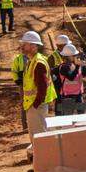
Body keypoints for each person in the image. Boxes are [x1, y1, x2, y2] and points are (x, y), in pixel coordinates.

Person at [19, 30, 57, 163]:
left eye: (25, 44)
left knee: (39, 138)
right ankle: (40, 168)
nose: (22, 46)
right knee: (36, 138)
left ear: (34, 46)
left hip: (37, 106)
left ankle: (45, 168)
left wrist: (35, 104)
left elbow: (43, 87)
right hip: (34, 105)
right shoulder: (32, 61)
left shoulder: (38, 63)